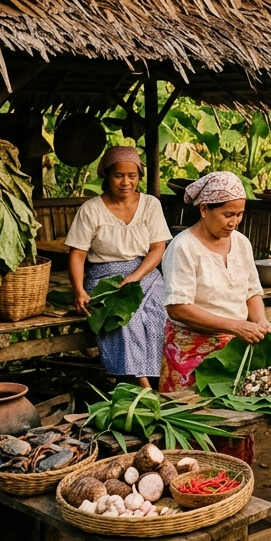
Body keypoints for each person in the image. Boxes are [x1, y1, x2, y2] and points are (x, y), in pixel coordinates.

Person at [159, 171, 271, 395]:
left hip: (234, 350)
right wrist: (235, 326)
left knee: (234, 420)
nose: (234, 222)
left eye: (240, 214)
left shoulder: (242, 243)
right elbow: (178, 307)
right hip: (189, 350)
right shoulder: (183, 247)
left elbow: (251, 292)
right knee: (192, 420)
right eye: (228, 214)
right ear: (204, 209)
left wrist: (260, 322)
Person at [68, 146, 172, 388]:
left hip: (145, 272)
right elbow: (77, 254)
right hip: (105, 276)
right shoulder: (91, 210)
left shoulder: (150, 205)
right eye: (119, 175)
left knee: (161, 313)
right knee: (123, 318)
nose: (126, 182)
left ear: (139, 177)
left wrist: (136, 277)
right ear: (107, 175)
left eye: (132, 176)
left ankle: (160, 379)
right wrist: (79, 292)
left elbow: (158, 249)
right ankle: (137, 381)